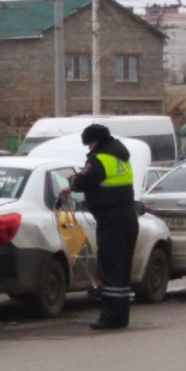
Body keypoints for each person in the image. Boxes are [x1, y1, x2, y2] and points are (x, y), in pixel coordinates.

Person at [59, 124, 139, 330]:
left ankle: (110, 317)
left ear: (95, 141)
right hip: (127, 217)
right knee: (121, 269)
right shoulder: (121, 158)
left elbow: (86, 180)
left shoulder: (100, 159)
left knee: (110, 268)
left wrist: (71, 184)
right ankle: (120, 316)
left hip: (111, 220)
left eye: (89, 143)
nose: (88, 148)